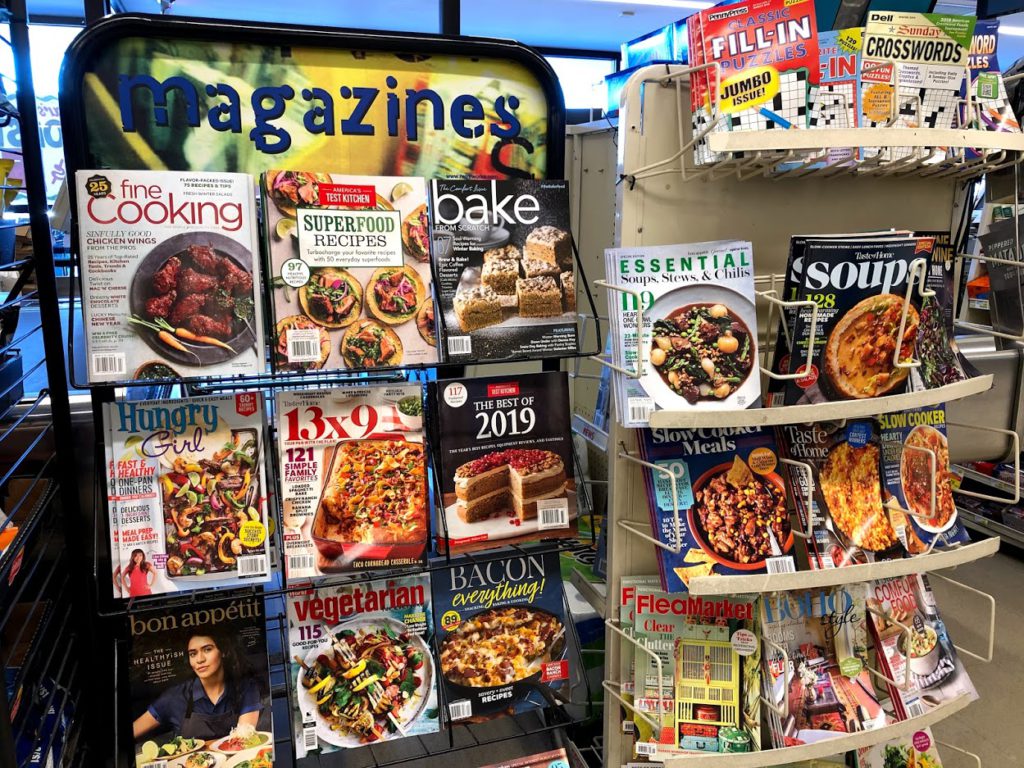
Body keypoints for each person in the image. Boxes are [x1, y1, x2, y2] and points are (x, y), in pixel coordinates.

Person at [133, 629, 262, 741]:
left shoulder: (245, 686)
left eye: (207, 649)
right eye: (193, 654)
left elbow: (243, 739)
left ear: (224, 652)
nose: (199, 660)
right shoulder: (175, 697)